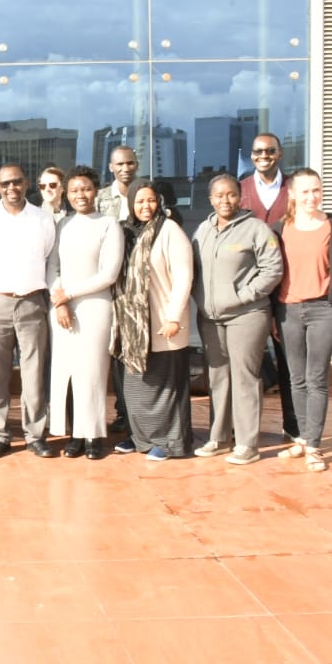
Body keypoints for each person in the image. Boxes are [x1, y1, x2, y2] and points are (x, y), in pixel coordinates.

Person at [192, 174, 283, 465]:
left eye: (231, 194)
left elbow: (273, 269)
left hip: (246, 315)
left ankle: (247, 443)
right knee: (218, 378)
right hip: (210, 317)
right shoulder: (203, 229)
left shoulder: (256, 229)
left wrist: (243, 296)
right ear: (210, 199)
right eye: (219, 195)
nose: (225, 200)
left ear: (240, 197)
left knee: (245, 378)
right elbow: (193, 269)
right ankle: (219, 438)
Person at [269, 169, 332, 473]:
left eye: (316, 190)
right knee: (296, 379)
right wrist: (272, 315)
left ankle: (314, 446)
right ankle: (303, 439)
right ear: (292, 194)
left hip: (324, 310)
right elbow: (274, 274)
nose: (312, 197)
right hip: (288, 311)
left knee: (316, 378)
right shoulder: (280, 229)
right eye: (305, 191)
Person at [0, 164, 56, 458]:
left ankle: (35, 435)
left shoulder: (43, 219)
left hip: (32, 302)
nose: (11, 188)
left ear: (26, 183)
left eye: (17, 182)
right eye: (5, 184)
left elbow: (47, 256)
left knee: (34, 373)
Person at [113, 179, 194, 461]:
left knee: (166, 386)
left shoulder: (169, 230)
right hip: (134, 327)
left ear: (158, 201)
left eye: (150, 200)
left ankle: (170, 442)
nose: (145, 206)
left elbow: (184, 277)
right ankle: (141, 438)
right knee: (137, 388)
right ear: (131, 204)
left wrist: (173, 317)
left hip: (163, 322)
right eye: (139, 201)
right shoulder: (126, 232)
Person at [48, 166, 125, 460]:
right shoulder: (62, 225)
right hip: (62, 308)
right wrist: (60, 302)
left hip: (94, 307)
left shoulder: (109, 225)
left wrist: (69, 294)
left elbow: (109, 274)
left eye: (86, 189)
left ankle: (93, 435)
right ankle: (75, 435)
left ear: (96, 191)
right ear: (67, 194)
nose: (81, 195)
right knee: (68, 371)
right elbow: (52, 268)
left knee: (92, 372)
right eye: (74, 190)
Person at [240, 132, 299, 443]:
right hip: (248, 288)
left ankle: (293, 427)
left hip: (286, 287)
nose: (264, 156)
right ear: (251, 155)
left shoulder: (294, 190)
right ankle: (241, 429)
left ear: (279, 154)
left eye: (270, 151)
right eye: (258, 151)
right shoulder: (240, 190)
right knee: (245, 362)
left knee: (289, 362)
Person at [95, 147, 139, 438]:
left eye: (130, 163)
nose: (125, 168)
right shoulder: (99, 199)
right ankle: (123, 411)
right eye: (120, 164)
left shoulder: (147, 194)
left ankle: (138, 411)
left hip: (139, 285)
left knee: (136, 348)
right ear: (111, 167)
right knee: (113, 350)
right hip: (108, 285)